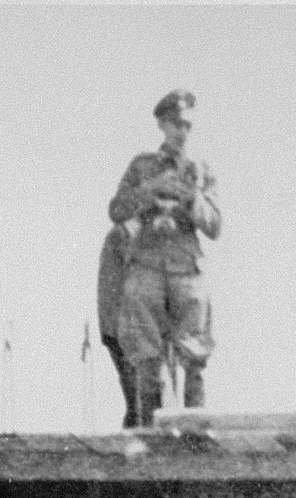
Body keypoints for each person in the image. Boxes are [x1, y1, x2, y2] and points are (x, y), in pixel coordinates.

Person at [108, 89, 220, 426]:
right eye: (174, 124)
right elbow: (116, 209)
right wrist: (149, 189)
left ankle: (195, 437)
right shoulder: (142, 166)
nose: (181, 132)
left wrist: (192, 197)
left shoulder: (200, 170)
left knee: (196, 358)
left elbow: (215, 226)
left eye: (186, 125)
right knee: (146, 359)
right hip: (148, 266)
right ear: (161, 125)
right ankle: (148, 434)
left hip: (186, 270)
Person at [96, 221, 140, 428]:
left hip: (128, 330)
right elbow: (111, 293)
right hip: (125, 332)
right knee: (138, 403)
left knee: (143, 403)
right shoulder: (121, 235)